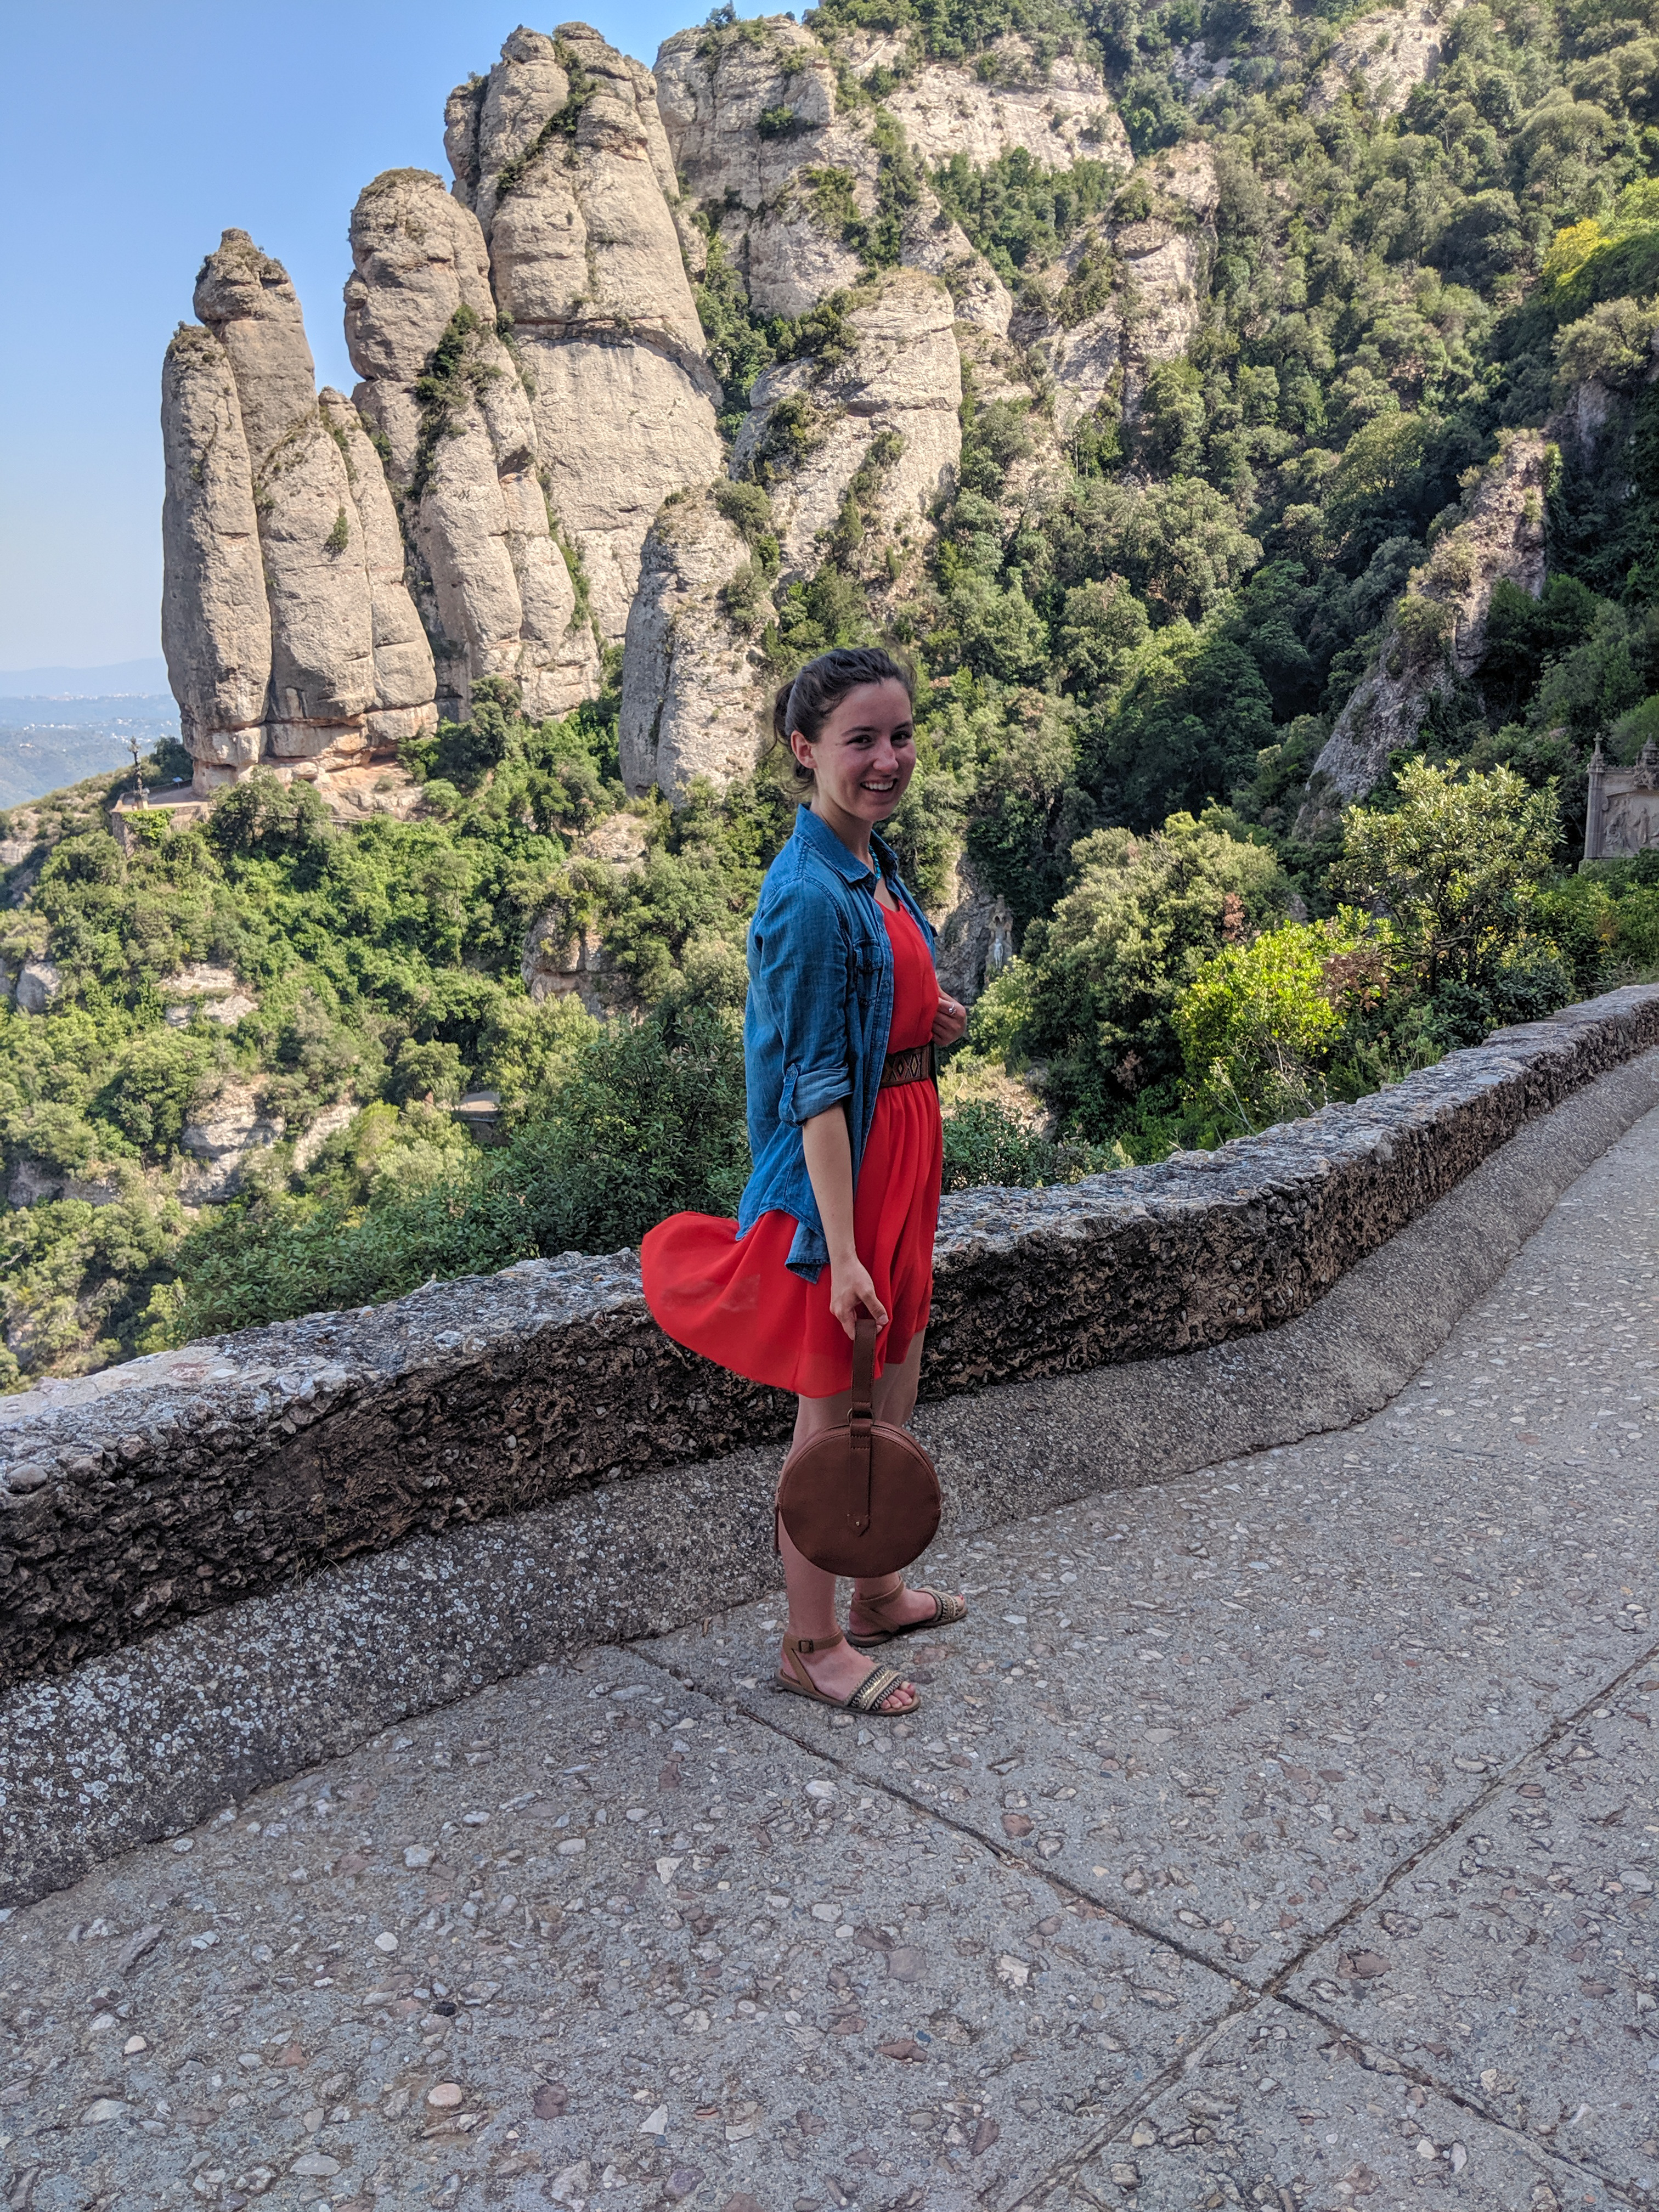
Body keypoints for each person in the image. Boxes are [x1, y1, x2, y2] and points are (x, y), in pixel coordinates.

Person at [642, 647, 970, 1716]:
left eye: (901, 735)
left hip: (904, 1153)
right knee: (831, 1417)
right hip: (850, 1177)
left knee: (896, 1385)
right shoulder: (807, 896)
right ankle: (810, 1641)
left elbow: (876, 1016)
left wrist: (932, 1020)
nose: (887, 759)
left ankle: (875, 1592)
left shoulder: (868, 862)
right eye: (860, 741)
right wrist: (840, 1256)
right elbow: (815, 1091)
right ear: (804, 750)